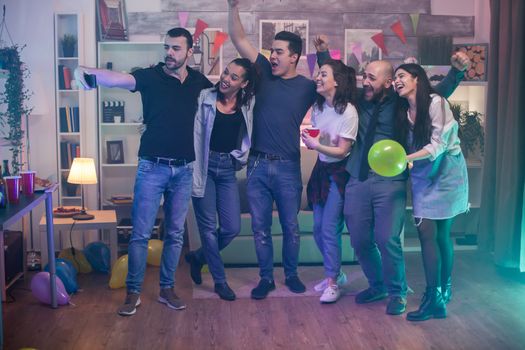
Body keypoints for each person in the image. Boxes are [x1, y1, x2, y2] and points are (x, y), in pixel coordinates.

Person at [316, 36, 469, 315]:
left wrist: (457, 72)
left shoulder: (402, 104)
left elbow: (436, 94)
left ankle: (397, 292)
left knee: (387, 238)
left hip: (390, 180)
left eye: (372, 77)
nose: (365, 81)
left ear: (388, 82)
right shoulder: (358, 101)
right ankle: (378, 285)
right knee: (360, 240)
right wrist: (322, 53)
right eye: (364, 76)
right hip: (358, 177)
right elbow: (331, 78)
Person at [75, 27, 213, 316]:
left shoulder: (199, 82)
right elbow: (120, 79)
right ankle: (133, 292)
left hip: (184, 170)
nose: (169, 53)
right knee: (140, 234)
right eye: (167, 47)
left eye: (176, 48)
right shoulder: (151, 76)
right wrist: (88, 70)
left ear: (190, 51)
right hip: (152, 167)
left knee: (175, 235)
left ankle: (166, 289)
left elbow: (219, 105)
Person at [228, 0, 317, 299]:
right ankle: (265, 278)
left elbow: (338, 89)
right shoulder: (263, 71)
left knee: (291, 227)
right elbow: (240, 39)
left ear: (294, 57)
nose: (272, 55)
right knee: (260, 228)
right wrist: (233, 8)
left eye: (279, 51)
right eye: (271, 51)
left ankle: (290, 275)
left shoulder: (308, 86)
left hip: (289, 167)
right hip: (257, 166)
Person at [393, 63, 469, 321]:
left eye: (401, 76)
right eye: (394, 78)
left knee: (442, 234)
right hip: (422, 173)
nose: (396, 81)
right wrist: (409, 160)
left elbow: (437, 146)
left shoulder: (436, 102)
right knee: (427, 232)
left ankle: (440, 292)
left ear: (416, 79)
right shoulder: (404, 110)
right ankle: (435, 296)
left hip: (447, 170)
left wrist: (405, 158)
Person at [185, 58, 259, 301]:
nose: (226, 79)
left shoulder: (248, 105)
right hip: (203, 167)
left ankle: (197, 257)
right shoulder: (204, 97)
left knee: (231, 228)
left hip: (227, 168)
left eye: (234, 77)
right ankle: (220, 281)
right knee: (207, 229)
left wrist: (241, 156)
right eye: (226, 73)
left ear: (244, 83)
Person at [301, 59, 358, 303]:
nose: (318, 78)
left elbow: (343, 151)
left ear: (337, 81)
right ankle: (335, 273)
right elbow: (323, 141)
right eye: (318, 73)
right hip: (321, 170)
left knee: (329, 228)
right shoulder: (318, 108)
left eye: (323, 74)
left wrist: (316, 144)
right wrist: (313, 139)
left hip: (340, 173)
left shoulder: (349, 111)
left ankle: (333, 283)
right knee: (317, 228)